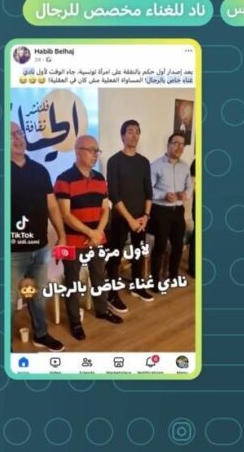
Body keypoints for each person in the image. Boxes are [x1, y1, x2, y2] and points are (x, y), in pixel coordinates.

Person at [54, 135, 123, 341]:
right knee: (73, 282)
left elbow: (105, 209)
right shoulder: (64, 179)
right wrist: (90, 233)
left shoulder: (100, 179)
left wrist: (98, 232)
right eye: (91, 150)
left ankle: (101, 310)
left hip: (97, 240)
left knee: (99, 276)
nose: (95, 155)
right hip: (72, 242)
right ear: (78, 151)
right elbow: (65, 215)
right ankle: (75, 321)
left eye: (97, 151)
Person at [10, 122, 66, 352]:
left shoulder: (40, 170)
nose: (17, 138)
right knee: (9, 301)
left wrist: (62, 236)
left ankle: (41, 334)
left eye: (19, 133)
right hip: (12, 252)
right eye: (11, 135)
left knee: (38, 296)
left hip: (40, 248)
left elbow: (52, 206)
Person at [105, 120, 154, 312]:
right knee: (115, 256)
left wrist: (146, 216)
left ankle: (137, 287)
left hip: (141, 218)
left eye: (137, 132)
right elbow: (114, 195)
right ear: (122, 136)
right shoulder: (114, 161)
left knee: (138, 254)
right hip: (120, 218)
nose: (134, 135)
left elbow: (148, 191)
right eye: (130, 131)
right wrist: (130, 219)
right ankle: (112, 294)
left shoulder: (144, 162)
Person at [150, 133, 193, 291]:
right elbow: (148, 190)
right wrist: (164, 195)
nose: (179, 147)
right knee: (160, 246)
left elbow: (189, 186)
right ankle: (155, 280)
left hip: (178, 211)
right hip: (160, 211)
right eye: (176, 143)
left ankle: (173, 275)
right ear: (168, 145)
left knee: (178, 245)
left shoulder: (185, 166)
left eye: (182, 144)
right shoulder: (156, 165)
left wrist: (185, 194)